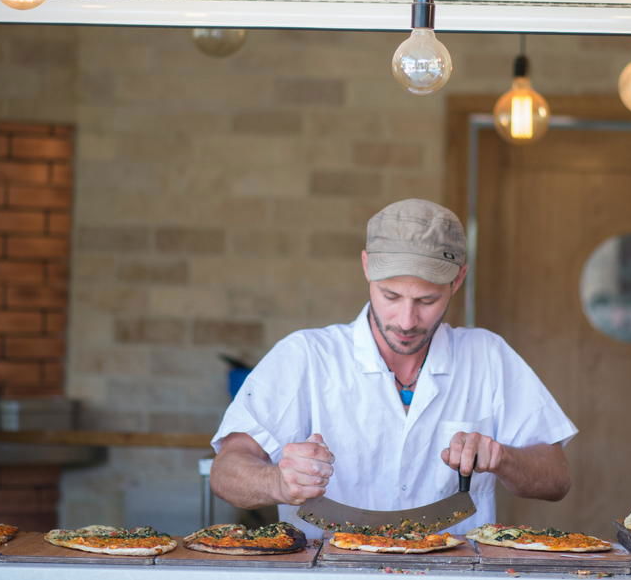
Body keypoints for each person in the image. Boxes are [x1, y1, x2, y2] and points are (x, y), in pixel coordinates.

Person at [209, 198, 576, 536]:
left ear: (458, 280)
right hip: (326, 576)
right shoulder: (305, 355)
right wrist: (276, 482)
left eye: (427, 300)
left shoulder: (488, 356)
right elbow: (226, 471)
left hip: (454, 575)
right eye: (391, 296)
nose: (406, 320)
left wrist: (503, 457)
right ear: (366, 267)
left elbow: (556, 479)